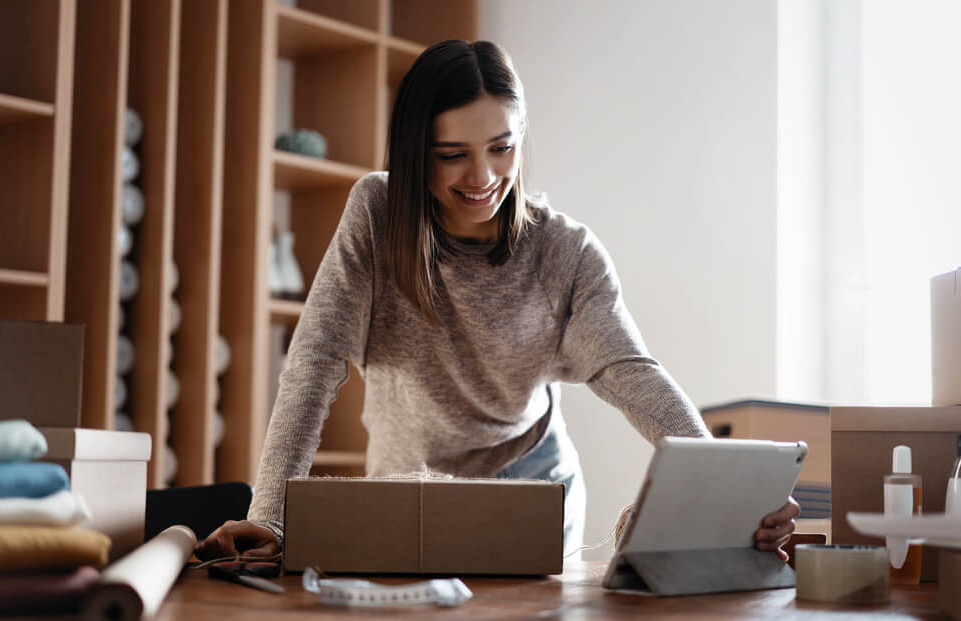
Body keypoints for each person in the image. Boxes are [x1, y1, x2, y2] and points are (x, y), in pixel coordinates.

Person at [196, 39, 799, 563]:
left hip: (534, 488)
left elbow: (631, 374)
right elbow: (315, 361)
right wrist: (271, 513)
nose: (482, 176)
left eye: (501, 148)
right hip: (406, 484)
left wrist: (729, 491)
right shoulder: (376, 215)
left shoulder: (565, 250)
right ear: (415, 151)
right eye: (453, 154)